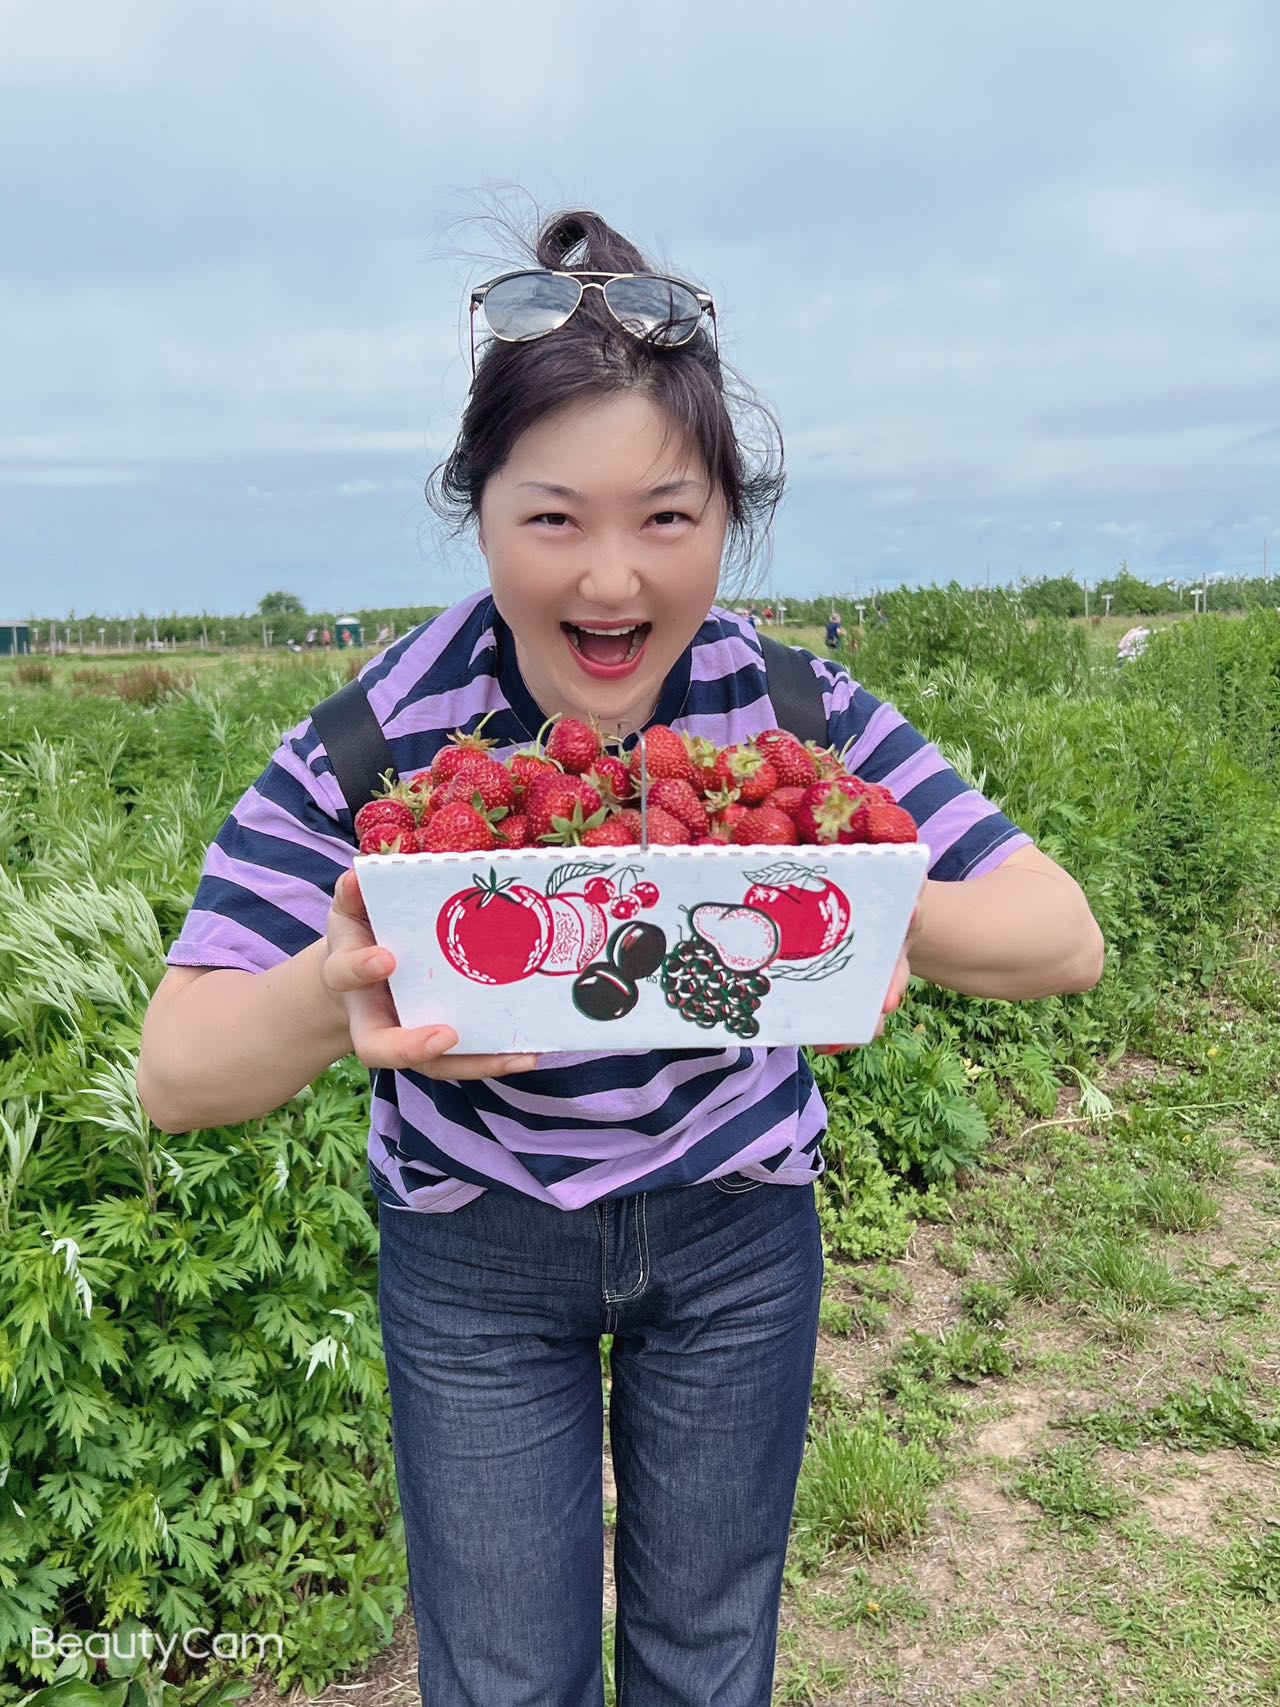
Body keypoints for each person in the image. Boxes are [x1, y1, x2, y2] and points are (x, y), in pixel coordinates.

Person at [136, 208, 1105, 1707]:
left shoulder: (790, 710)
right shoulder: (380, 743)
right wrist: (339, 987)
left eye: (667, 517)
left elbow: (1060, 937)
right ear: (481, 513)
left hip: (735, 1228)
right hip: (473, 1250)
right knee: (509, 1678)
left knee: (708, 1660)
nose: (610, 580)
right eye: (552, 519)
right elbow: (180, 1072)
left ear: (732, 514)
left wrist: (828, 896)